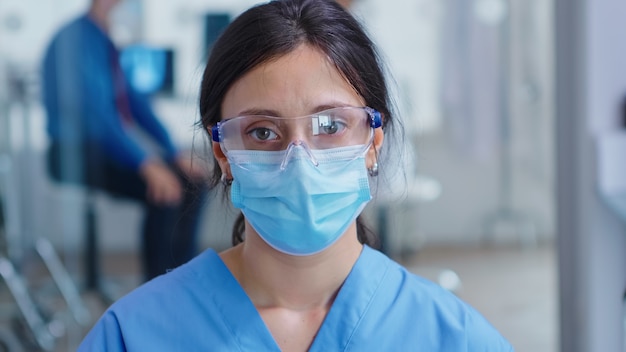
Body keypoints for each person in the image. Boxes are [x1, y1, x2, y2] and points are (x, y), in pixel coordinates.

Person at [78, 0, 514, 350]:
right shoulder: (134, 335)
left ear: (373, 143)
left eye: (329, 125)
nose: (299, 160)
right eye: (262, 131)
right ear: (224, 154)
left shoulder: (450, 337)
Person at [41, 0, 207, 282]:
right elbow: (98, 117)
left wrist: (172, 151)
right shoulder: (74, 39)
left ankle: (184, 279)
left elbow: (135, 103)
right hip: (74, 150)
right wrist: (146, 163)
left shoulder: (105, 42)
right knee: (166, 190)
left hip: (103, 145)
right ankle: (158, 287)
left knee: (194, 184)